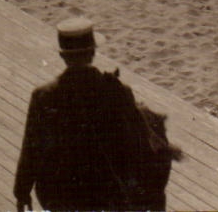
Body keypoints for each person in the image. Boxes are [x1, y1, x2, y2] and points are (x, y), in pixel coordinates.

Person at [14, 17, 176, 212]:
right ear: (92, 52)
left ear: (62, 56)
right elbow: (136, 143)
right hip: (106, 194)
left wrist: (21, 192)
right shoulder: (117, 91)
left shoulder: (44, 95)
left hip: (59, 196)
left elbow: (32, 148)